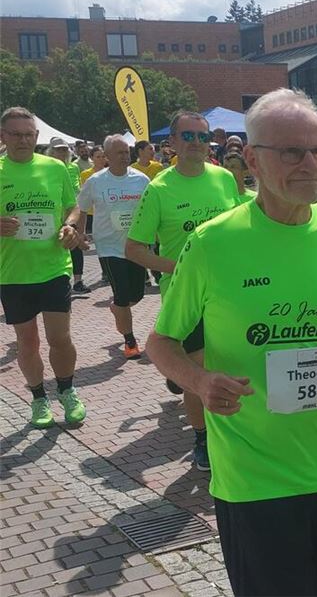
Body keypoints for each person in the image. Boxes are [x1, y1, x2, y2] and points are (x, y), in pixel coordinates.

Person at [147, 88, 317, 596]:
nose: (311, 165)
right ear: (253, 161)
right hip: (254, 479)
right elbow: (161, 342)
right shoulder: (214, 243)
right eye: (292, 152)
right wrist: (198, 380)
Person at [125, 110, 240, 472]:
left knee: (234, 363)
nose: (196, 144)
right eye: (187, 137)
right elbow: (135, 250)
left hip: (230, 294)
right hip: (185, 298)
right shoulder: (158, 189)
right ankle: (202, 438)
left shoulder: (224, 179)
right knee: (199, 371)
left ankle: (231, 429)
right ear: (172, 143)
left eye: (203, 137)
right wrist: (183, 269)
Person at [0, 107, 88, 428]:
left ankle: (67, 390)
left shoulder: (55, 168)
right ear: (3, 136)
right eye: (16, 134)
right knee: (28, 342)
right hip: (13, 273)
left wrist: (70, 226)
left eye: (29, 134)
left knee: (59, 338)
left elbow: (73, 207)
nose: (23, 140)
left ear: (37, 137)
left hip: (53, 267)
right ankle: (38, 399)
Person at [77, 135, 150, 360]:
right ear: (106, 157)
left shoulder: (141, 180)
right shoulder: (96, 181)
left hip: (135, 246)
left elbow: (151, 209)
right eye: (119, 153)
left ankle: (117, 307)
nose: (124, 156)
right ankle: (130, 341)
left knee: (136, 295)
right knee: (121, 294)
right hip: (109, 246)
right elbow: (81, 208)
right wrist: (80, 234)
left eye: (127, 152)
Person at [73, 146, 109, 293]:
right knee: (99, 241)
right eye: (98, 156)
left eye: (103, 156)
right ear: (92, 158)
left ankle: (107, 270)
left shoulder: (110, 173)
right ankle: (105, 270)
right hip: (91, 213)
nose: (101, 159)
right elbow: (84, 195)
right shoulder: (86, 174)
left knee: (106, 240)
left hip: (106, 212)